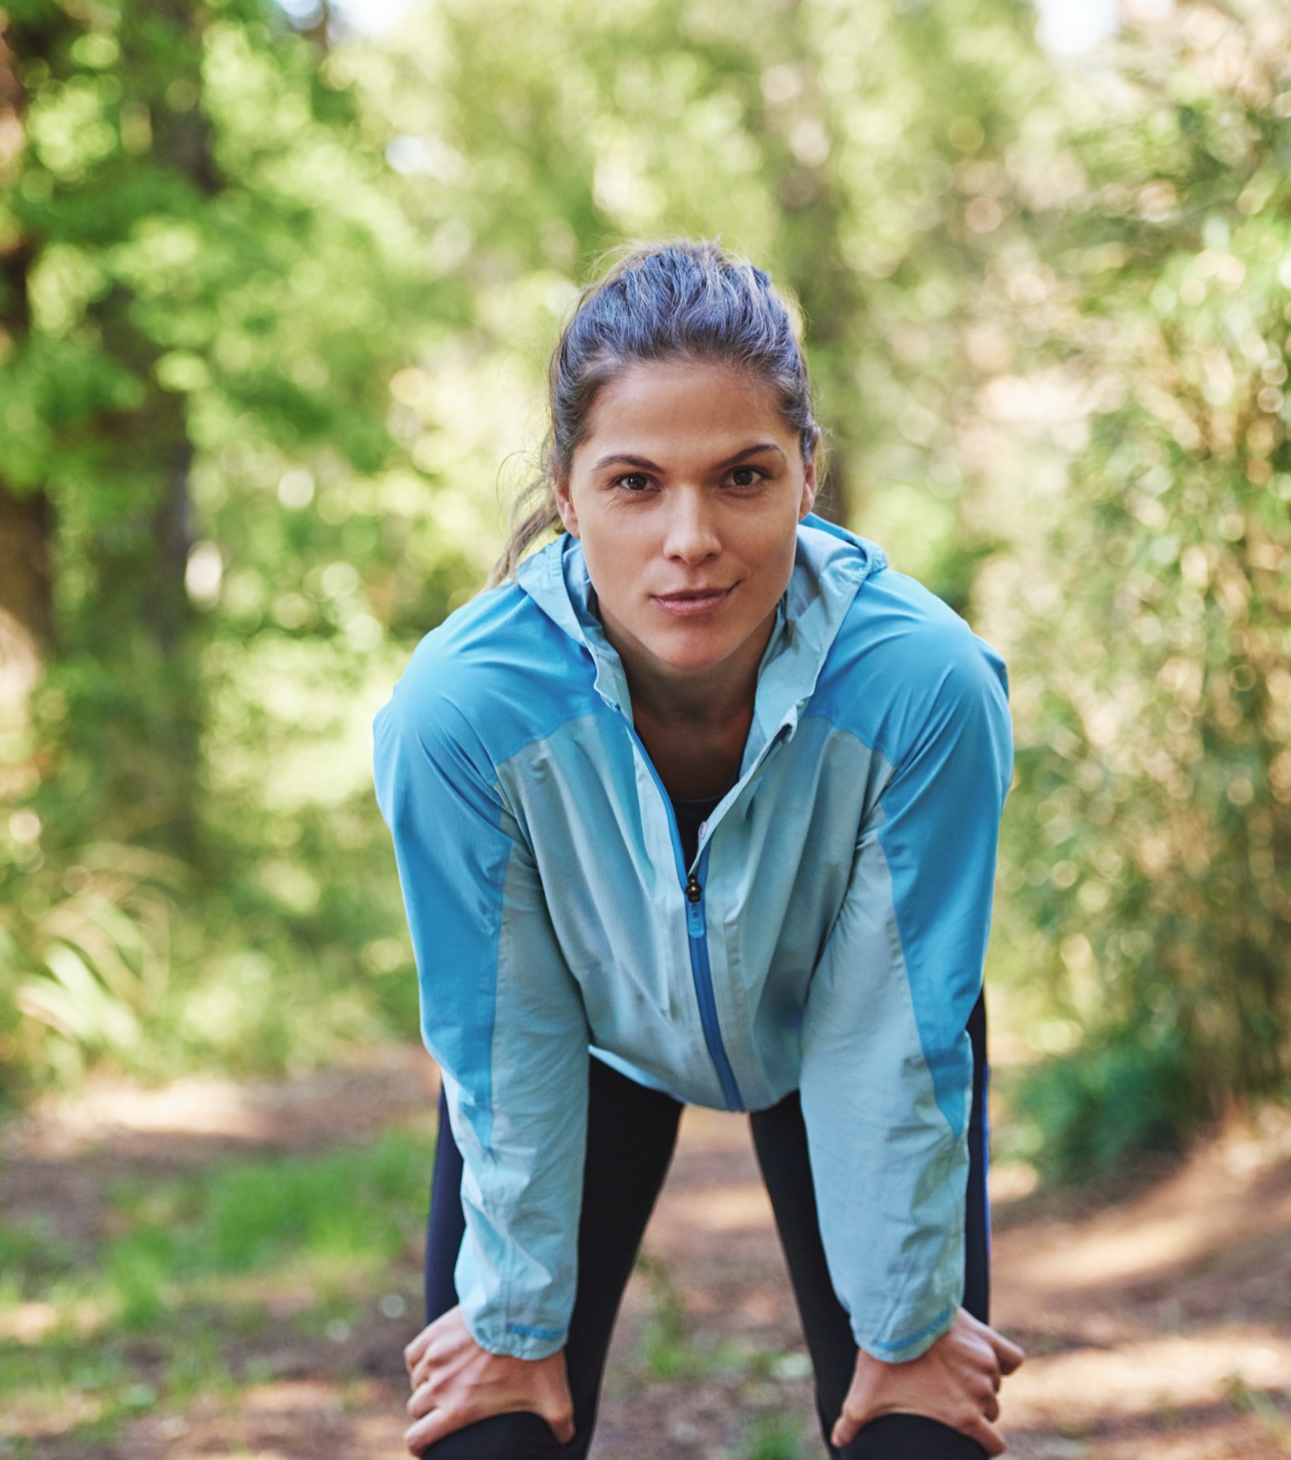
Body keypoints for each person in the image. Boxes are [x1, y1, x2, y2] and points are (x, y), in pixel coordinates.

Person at [373, 240, 1023, 1459]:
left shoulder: (924, 686)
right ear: (566, 495)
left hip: (847, 1019)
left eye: (741, 476)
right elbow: (504, 1025)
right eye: (633, 483)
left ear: (806, 478)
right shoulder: (462, 711)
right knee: (489, 1427)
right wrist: (511, 1319)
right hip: (579, 1029)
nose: (691, 538)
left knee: (918, 1428)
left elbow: (889, 1025)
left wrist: (908, 1323)